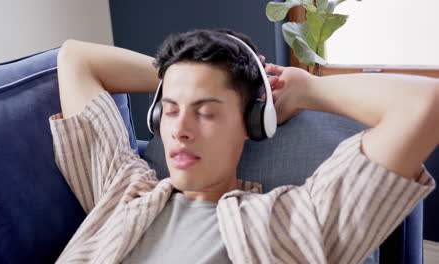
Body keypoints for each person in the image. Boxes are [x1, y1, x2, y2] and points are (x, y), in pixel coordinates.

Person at [50, 28, 437, 263]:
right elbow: (75, 57)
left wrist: (309, 90)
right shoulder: (123, 188)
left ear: (252, 122)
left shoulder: (290, 224)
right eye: (170, 110)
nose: (180, 129)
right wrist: (184, 75)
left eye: (205, 112)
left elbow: (425, 105)